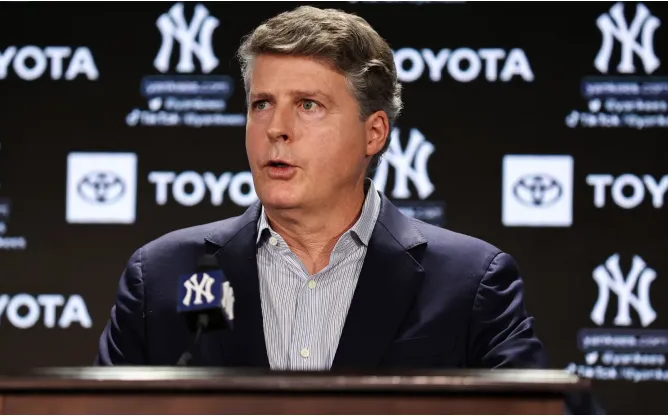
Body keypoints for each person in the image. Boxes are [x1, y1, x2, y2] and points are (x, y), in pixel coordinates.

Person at [95, 5, 546, 372]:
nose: (277, 128)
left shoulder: (471, 283)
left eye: (308, 105)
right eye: (262, 104)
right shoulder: (161, 275)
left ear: (374, 133)